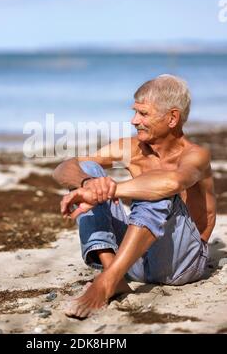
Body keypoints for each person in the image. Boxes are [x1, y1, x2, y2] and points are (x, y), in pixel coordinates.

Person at [53, 74, 216, 319]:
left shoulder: (196, 156)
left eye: (143, 114)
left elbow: (173, 182)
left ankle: (106, 282)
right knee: (88, 170)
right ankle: (113, 274)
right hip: (133, 263)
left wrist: (110, 190)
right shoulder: (131, 148)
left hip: (182, 264)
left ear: (172, 118)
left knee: (158, 187)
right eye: (135, 112)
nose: (134, 120)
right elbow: (64, 167)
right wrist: (88, 183)